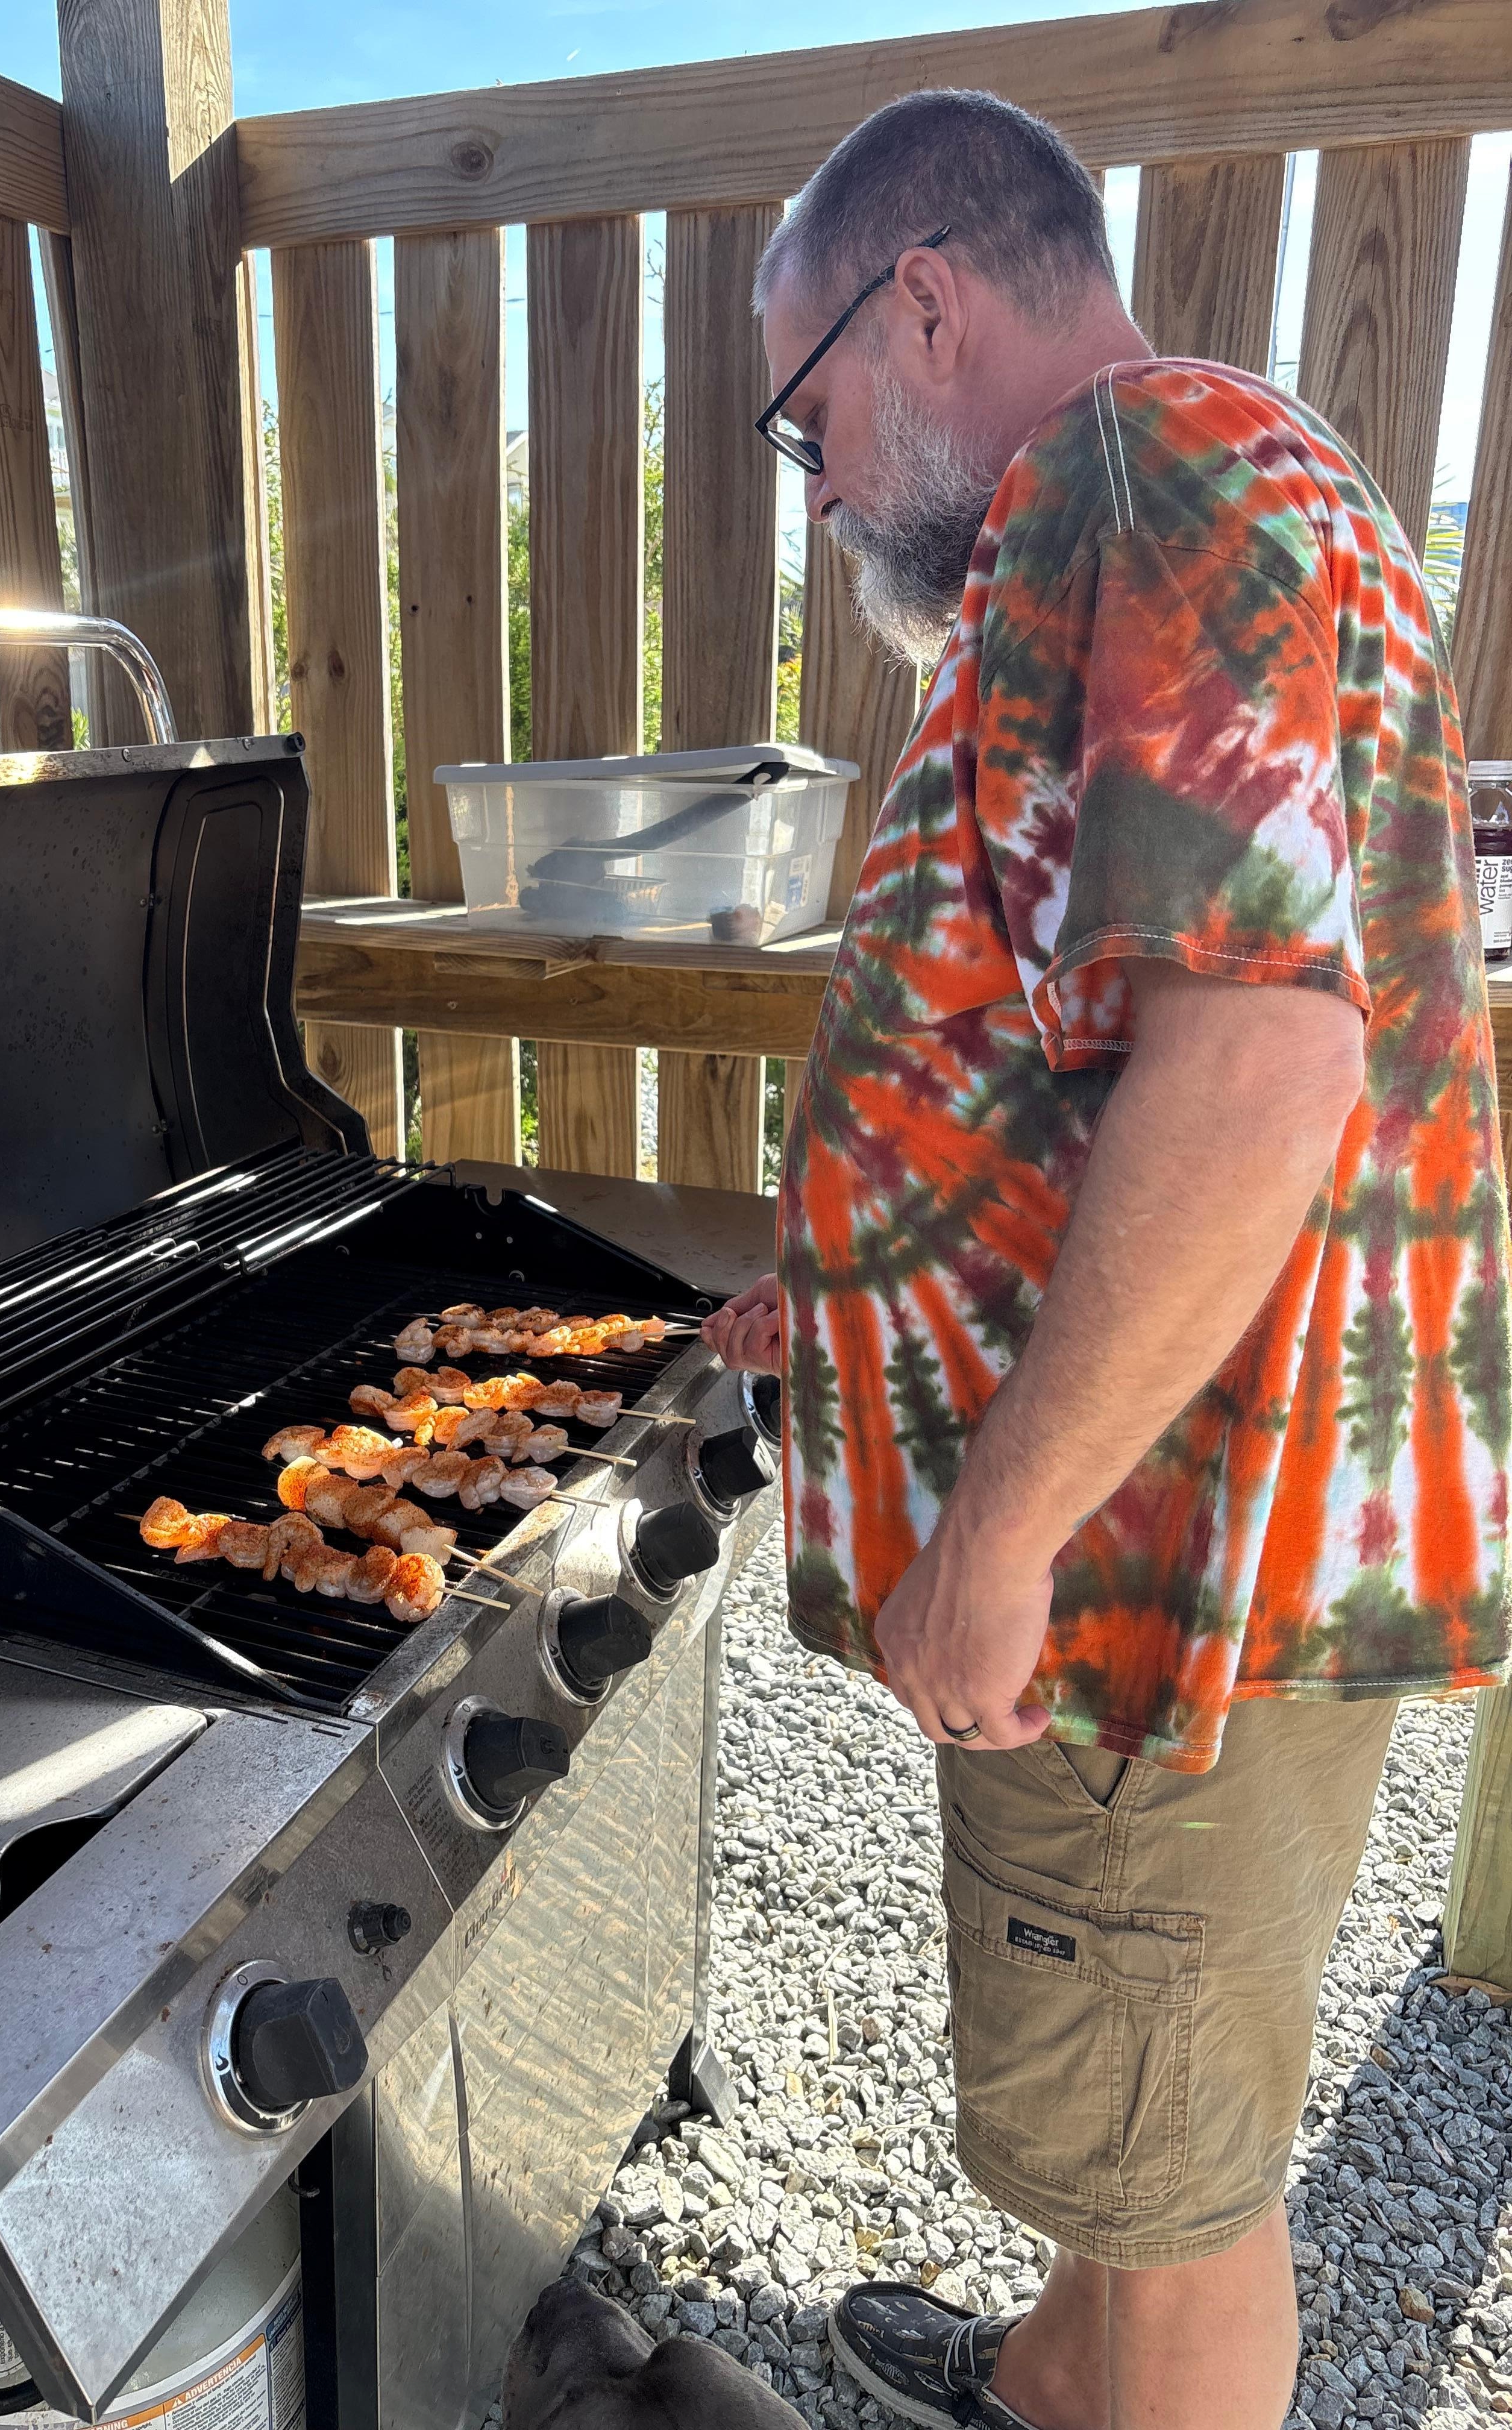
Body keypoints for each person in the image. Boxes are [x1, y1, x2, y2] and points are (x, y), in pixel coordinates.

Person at [702, 86, 1511, 2430]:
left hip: (1160, 1567)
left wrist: (1003, 1527)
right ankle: (1048, 2379)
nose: (822, 489)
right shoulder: (1220, 484)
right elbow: (1079, 1051)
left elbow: (1257, 1071)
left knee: (1179, 2213)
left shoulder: (1130, 481)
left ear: (923, 303)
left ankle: (1107, 2377)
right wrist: (849, 1305)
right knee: (1148, 2131)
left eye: (806, 423)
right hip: (1188, 1533)